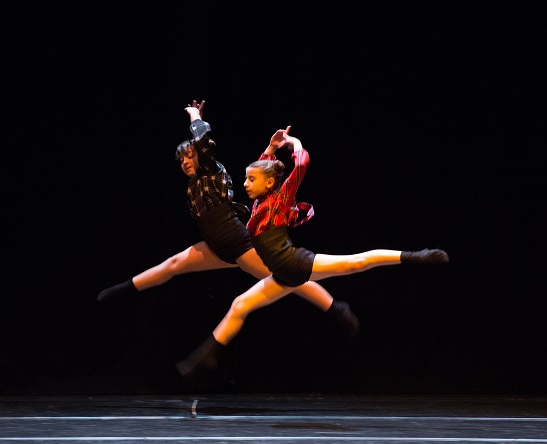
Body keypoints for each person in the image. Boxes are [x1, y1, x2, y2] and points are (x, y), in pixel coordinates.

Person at [176, 126, 449, 377]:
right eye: (246, 179)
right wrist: (271, 149)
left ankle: (416, 255)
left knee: (357, 262)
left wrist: (294, 142)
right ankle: (209, 354)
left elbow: (301, 164)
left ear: (269, 183)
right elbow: (263, 168)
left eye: (250, 180)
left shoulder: (281, 198)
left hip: (296, 263)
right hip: (282, 275)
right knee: (239, 306)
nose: (244, 184)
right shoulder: (259, 203)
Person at [97, 101, 359, 337]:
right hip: (217, 246)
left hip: (237, 243)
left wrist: (193, 116)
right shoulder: (193, 185)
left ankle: (335, 307)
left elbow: (204, 141)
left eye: (191, 155)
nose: (186, 161)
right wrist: (269, 146)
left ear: (201, 155)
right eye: (182, 159)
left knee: (288, 278)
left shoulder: (211, 169)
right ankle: (123, 290)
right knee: (173, 264)